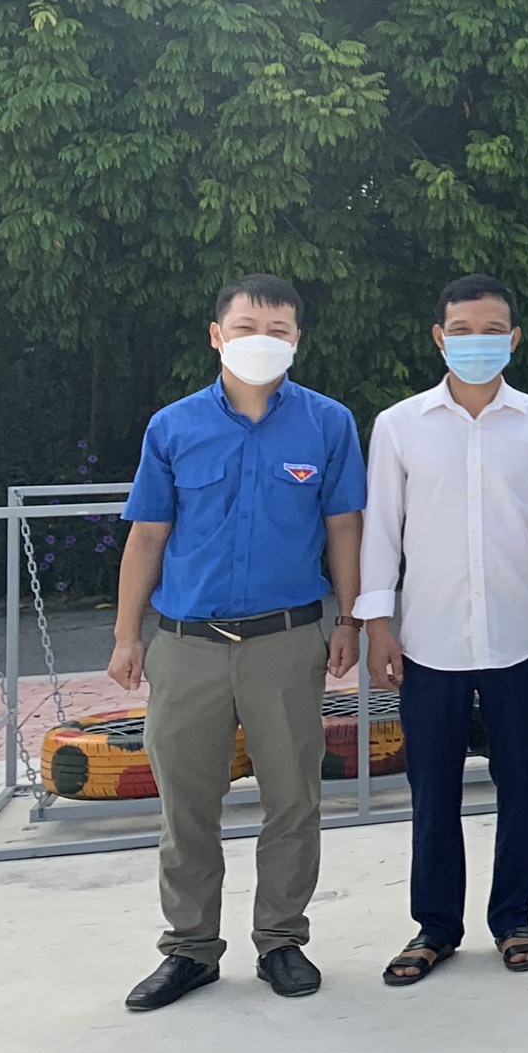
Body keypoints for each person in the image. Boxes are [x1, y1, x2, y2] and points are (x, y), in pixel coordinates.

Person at [111, 276, 366, 1012]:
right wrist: (127, 635)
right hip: (187, 644)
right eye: (247, 325)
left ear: (297, 340)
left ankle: (281, 940)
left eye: (279, 329)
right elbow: (148, 536)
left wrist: (348, 620)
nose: (263, 339)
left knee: (293, 799)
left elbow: (344, 526)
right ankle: (190, 949)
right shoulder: (174, 427)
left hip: (285, 641)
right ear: (217, 335)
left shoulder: (327, 424)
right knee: (187, 804)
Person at [359, 274, 528, 986]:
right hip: (429, 640)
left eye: (491, 331)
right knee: (432, 791)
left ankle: (514, 917)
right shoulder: (400, 425)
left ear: (513, 339)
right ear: (438, 337)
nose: (476, 342)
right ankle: (435, 926)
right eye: (461, 330)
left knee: (522, 786)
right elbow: (381, 530)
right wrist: (377, 624)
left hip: (519, 637)